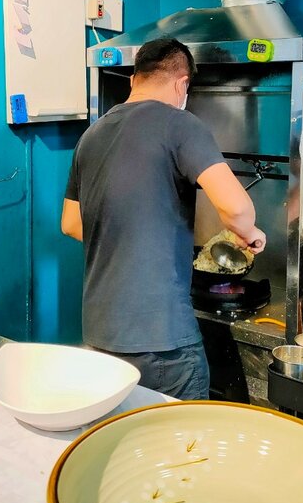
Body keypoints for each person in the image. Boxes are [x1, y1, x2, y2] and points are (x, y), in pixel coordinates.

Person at [61, 38, 266, 400]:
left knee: (123, 431)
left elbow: (72, 224)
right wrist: (248, 233)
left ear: (133, 80)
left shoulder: (91, 135)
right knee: (181, 433)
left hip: (100, 334)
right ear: (182, 83)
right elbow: (237, 209)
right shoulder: (180, 124)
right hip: (161, 340)